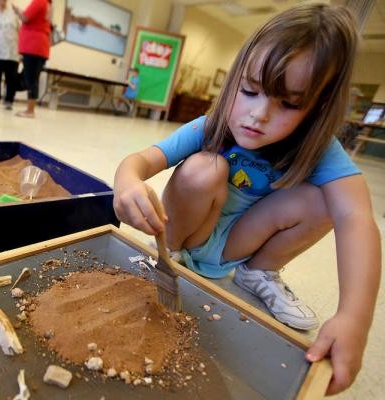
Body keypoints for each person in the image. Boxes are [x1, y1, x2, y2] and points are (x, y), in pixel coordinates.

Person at [112, 4, 380, 395]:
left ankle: (258, 272)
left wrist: (355, 317)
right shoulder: (212, 124)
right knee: (205, 168)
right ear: (235, 80)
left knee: (328, 201)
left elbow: (357, 218)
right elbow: (139, 161)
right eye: (250, 91)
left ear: (318, 109)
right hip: (189, 232)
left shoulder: (321, 149)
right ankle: (169, 255)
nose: (259, 115)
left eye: (288, 104)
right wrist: (127, 183)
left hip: (238, 246)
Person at [12, 0, 51, 118]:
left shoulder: (40, 1)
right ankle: (30, 109)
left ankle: (30, 111)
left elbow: (25, 18)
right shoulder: (47, 4)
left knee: (31, 80)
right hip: (39, 46)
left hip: (34, 46)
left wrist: (17, 10)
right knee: (31, 79)